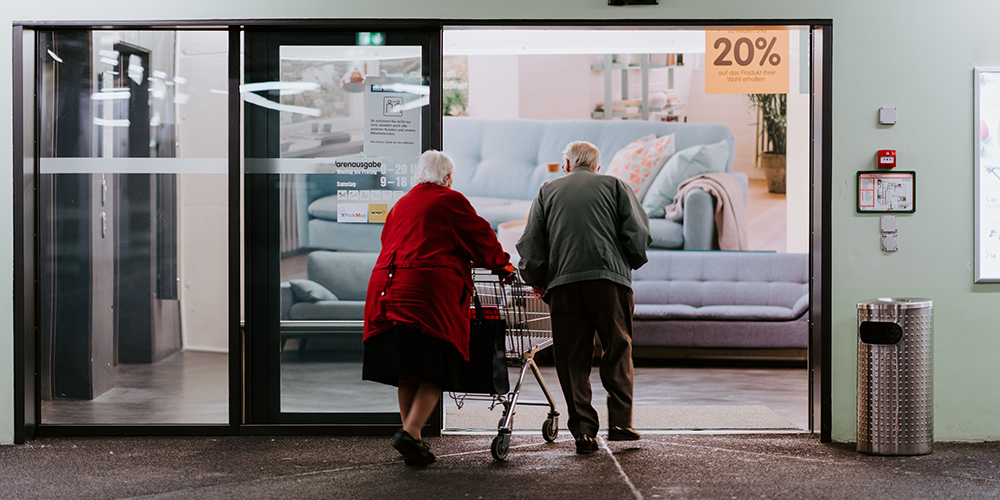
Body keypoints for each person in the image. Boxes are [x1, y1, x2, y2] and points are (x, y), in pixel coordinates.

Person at [363, 149, 515, 467]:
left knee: (407, 372)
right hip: (426, 294)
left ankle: (414, 440)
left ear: (420, 174)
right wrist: (503, 265)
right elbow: (481, 237)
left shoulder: (401, 204)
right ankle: (410, 433)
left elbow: (390, 242)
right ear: (447, 177)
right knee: (436, 370)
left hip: (386, 291)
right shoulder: (449, 200)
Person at [515, 140, 651, 455]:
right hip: (609, 282)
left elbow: (531, 242)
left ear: (567, 165)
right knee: (617, 348)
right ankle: (620, 424)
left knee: (571, 357)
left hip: (564, 284)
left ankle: (584, 432)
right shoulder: (615, 185)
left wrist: (536, 279)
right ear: (597, 166)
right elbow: (638, 235)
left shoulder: (547, 191)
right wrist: (626, 262)